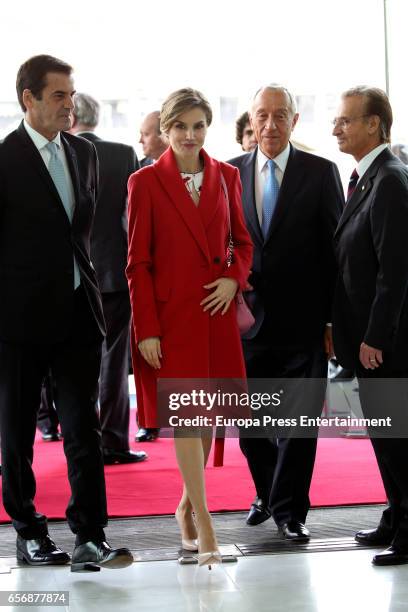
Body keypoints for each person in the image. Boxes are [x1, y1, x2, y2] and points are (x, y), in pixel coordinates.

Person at [0, 54, 133, 571]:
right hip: (19, 322)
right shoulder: (5, 159)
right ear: (28, 99)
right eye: (58, 95)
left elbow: (80, 233)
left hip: (80, 311)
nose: (68, 104)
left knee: (84, 427)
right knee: (16, 433)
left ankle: (90, 535)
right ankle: (29, 534)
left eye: (71, 95)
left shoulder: (83, 153)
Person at [126, 88, 252, 567]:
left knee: (206, 421)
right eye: (180, 126)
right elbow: (137, 264)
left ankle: (184, 510)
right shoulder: (144, 183)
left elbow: (242, 242)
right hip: (172, 319)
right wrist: (147, 329)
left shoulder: (227, 176)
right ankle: (206, 527)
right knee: (190, 418)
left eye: (198, 126)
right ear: (165, 130)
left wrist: (232, 279)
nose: (190, 135)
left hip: (216, 314)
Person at [228, 84, 344, 541]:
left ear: (295, 121)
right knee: (252, 425)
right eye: (262, 115)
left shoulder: (320, 172)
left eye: (281, 116)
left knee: (298, 425)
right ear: (251, 121)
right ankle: (269, 493)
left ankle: (290, 511)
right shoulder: (229, 174)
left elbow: (336, 251)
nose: (271, 125)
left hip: (305, 322)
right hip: (246, 322)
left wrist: (335, 320)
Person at [332, 86, 408, 566]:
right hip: (367, 335)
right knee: (385, 431)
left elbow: (395, 271)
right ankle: (397, 514)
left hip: (388, 341)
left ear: (374, 124)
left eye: (345, 121)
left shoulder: (392, 180)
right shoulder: (368, 176)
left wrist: (374, 338)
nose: (336, 128)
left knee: (398, 434)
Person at [71, 92, 147, 465]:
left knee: (73, 362)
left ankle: (79, 438)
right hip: (115, 273)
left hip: (70, 276)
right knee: (114, 361)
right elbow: (133, 218)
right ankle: (114, 442)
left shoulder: (59, 151)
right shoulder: (121, 153)